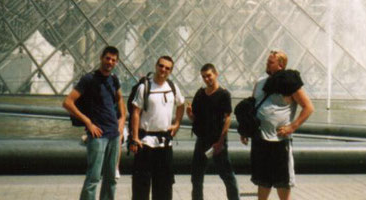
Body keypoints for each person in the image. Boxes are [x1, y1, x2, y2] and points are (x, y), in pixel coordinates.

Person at [241, 50, 314, 200]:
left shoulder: (290, 83)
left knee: (283, 183)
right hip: (260, 138)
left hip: (279, 141)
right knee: (262, 181)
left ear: (281, 65)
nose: (267, 64)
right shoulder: (260, 82)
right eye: (267, 61)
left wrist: (292, 127)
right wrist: (245, 130)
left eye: (270, 62)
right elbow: (253, 107)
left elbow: (308, 107)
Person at [63, 46, 126, 200]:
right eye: (107, 58)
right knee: (93, 178)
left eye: (113, 60)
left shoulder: (114, 79)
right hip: (98, 135)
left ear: (116, 62)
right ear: (101, 58)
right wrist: (88, 122)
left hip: (114, 134)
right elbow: (67, 102)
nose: (110, 62)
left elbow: (120, 99)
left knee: (111, 179)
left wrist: (123, 119)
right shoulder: (89, 79)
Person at [129, 55, 185, 200]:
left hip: (165, 143)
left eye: (167, 68)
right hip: (145, 142)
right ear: (156, 66)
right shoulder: (144, 87)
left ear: (171, 71)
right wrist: (134, 137)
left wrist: (177, 123)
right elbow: (135, 113)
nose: (163, 70)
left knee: (164, 186)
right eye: (161, 66)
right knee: (141, 186)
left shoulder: (172, 87)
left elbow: (181, 104)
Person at [186, 64, 240, 200]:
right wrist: (189, 114)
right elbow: (195, 119)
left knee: (226, 175)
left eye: (209, 75)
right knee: (196, 176)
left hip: (217, 140)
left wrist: (220, 141)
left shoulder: (224, 94)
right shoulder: (200, 93)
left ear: (216, 74)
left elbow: (228, 118)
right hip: (202, 140)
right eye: (203, 77)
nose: (206, 79)